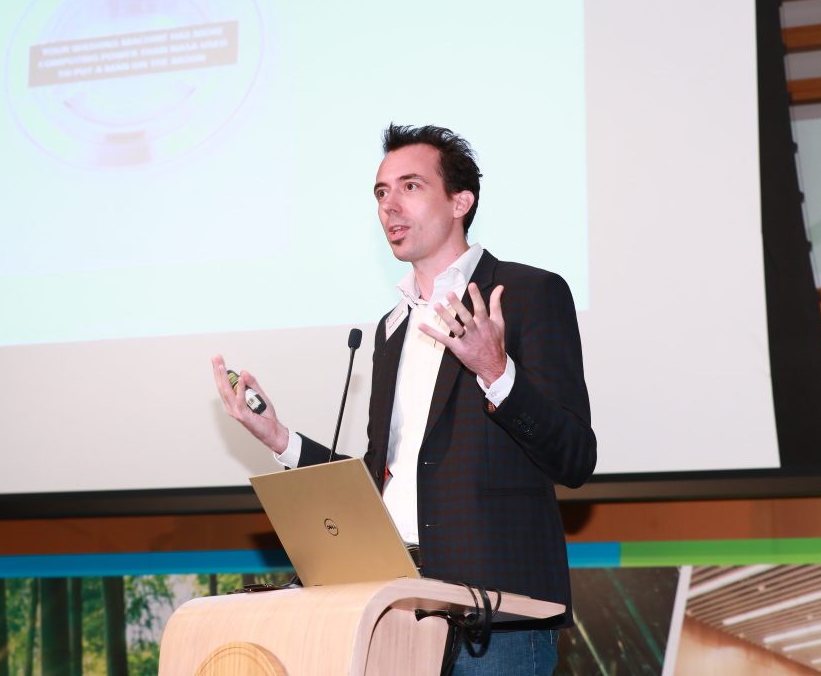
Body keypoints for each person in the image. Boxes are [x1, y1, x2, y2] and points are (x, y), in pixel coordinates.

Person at [211, 124, 597, 675]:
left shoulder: (529, 294)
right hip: (396, 605)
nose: (390, 204)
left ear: (460, 201)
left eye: (410, 186)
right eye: (381, 192)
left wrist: (496, 371)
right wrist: (281, 439)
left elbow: (576, 458)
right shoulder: (390, 330)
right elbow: (378, 478)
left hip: (496, 617)